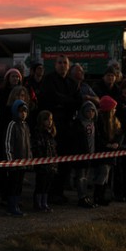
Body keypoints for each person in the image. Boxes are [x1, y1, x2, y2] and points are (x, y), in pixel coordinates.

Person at [39, 55, 81, 204]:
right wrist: (67, 101)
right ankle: (49, 193)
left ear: (68, 66)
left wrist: (64, 102)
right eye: (60, 63)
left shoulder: (73, 83)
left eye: (65, 63)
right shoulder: (49, 80)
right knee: (52, 161)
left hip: (68, 126)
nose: (62, 65)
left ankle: (59, 192)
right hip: (53, 127)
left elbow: (77, 102)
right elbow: (51, 97)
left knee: (65, 161)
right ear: (55, 65)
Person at [2, 100, 31, 216]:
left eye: (25, 111)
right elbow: (8, 143)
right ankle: (11, 206)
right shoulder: (12, 125)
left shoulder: (26, 126)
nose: (23, 114)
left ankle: (16, 204)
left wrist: (29, 159)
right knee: (13, 184)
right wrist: (10, 160)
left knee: (19, 184)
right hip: (14, 163)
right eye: (20, 111)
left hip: (23, 162)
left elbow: (28, 144)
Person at [92, 96, 122, 206]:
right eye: (113, 108)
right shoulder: (99, 121)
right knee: (102, 173)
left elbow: (119, 133)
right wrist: (107, 144)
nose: (115, 110)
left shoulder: (115, 121)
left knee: (106, 174)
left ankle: (102, 196)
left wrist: (117, 143)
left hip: (110, 152)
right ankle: (98, 196)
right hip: (102, 152)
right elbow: (98, 137)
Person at [69, 101, 98, 208]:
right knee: (80, 177)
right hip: (81, 155)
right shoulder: (78, 124)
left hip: (91, 154)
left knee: (86, 177)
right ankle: (81, 197)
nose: (90, 113)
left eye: (92, 111)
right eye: (87, 111)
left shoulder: (94, 124)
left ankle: (85, 196)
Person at [31, 110, 58, 212]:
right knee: (40, 184)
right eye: (46, 119)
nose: (49, 122)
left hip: (51, 165)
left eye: (50, 119)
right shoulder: (38, 133)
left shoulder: (51, 134)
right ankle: (38, 203)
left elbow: (54, 149)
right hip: (42, 164)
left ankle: (44, 202)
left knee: (47, 184)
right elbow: (37, 148)